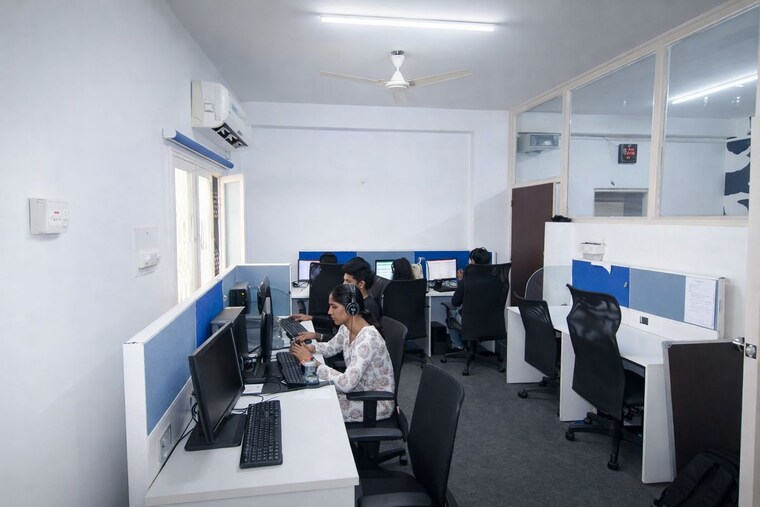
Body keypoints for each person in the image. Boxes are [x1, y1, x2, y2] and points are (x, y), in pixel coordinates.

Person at [290, 284, 395, 423]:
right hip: (358, 390)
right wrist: (311, 349)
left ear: (352, 308)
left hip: (375, 403)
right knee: (312, 396)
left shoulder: (367, 340)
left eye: (334, 307)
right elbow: (330, 348)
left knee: (316, 408)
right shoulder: (346, 328)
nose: (329, 312)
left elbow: (347, 384)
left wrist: (311, 361)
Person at [291, 256, 382, 342]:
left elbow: (345, 341)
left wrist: (317, 336)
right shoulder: (353, 301)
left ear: (361, 284)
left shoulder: (368, 307)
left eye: (348, 281)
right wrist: (311, 318)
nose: (343, 284)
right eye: (344, 280)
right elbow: (335, 323)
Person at [448, 247, 491, 351]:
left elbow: (455, 302)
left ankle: (458, 345)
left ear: (473, 262)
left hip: (470, 322)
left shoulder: (466, 280)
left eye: (470, 260)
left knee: (451, 311)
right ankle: (469, 345)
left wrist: (460, 280)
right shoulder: (495, 279)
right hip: (491, 321)